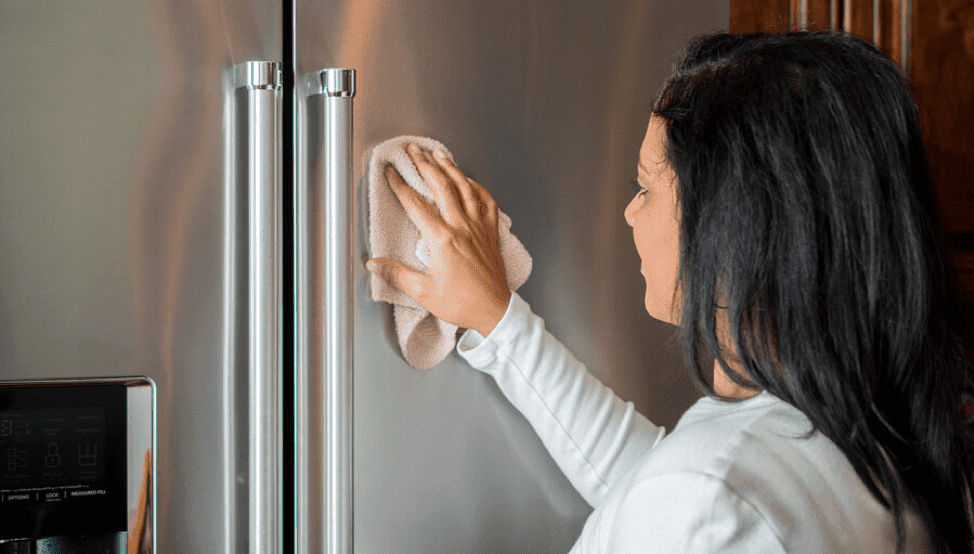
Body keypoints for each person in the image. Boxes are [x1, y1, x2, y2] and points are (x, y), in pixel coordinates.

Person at [365, 30, 974, 553]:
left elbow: (686, 501)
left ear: (736, 225)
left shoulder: (708, 493)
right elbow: (656, 488)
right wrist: (498, 323)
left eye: (646, 186)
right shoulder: (877, 436)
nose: (629, 214)